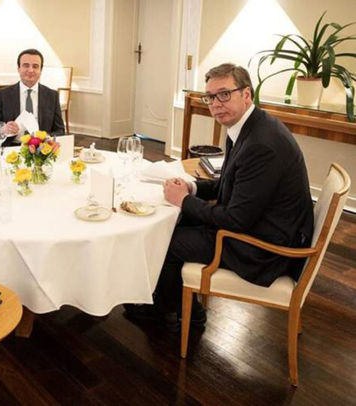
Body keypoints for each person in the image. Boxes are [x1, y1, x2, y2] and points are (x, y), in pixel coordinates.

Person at [125, 63, 314, 332]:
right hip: (262, 227)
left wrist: (183, 201)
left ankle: (181, 312)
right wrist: (191, 188)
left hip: (263, 249)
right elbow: (228, 184)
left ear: (246, 94)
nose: (215, 104)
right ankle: (166, 297)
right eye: (210, 97)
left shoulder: (262, 145)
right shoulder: (247, 127)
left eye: (224, 94)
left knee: (167, 239)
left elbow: (236, 219)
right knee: (177, 222)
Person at [0, 48, 65, 146]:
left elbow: (60, 130)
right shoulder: (3, 94)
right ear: (18, 69)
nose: (31, 70)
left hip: (41, 149)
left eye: (35, 66)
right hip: (11, 147)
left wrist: (47, 137)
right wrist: (4, 129)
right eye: (26, 65)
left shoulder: (52, 96)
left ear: (41, 70)